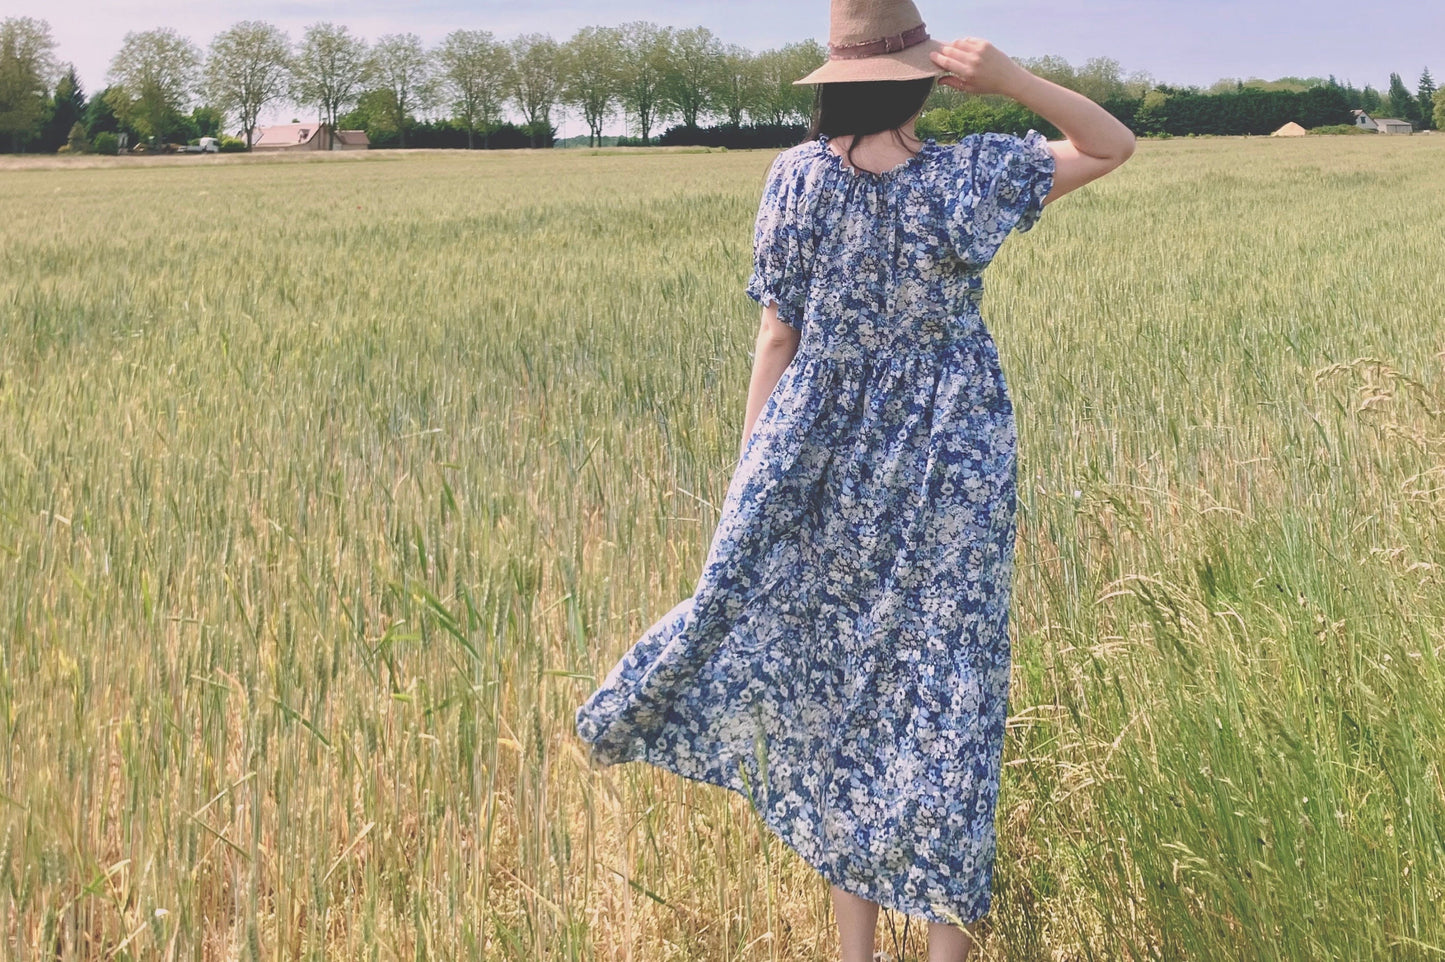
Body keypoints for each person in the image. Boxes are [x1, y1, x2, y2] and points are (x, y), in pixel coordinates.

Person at [574, 1, 1135, 959]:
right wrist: (1013, 82)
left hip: (818, 453)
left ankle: (854, 953)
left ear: (835, 82)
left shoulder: (794, 179)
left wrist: (751, 474)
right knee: (947, 692)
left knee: (839, 694)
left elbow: (777, 333)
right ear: (926, 77)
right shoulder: (970, 173)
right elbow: (1111, 144)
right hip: (950, 460)